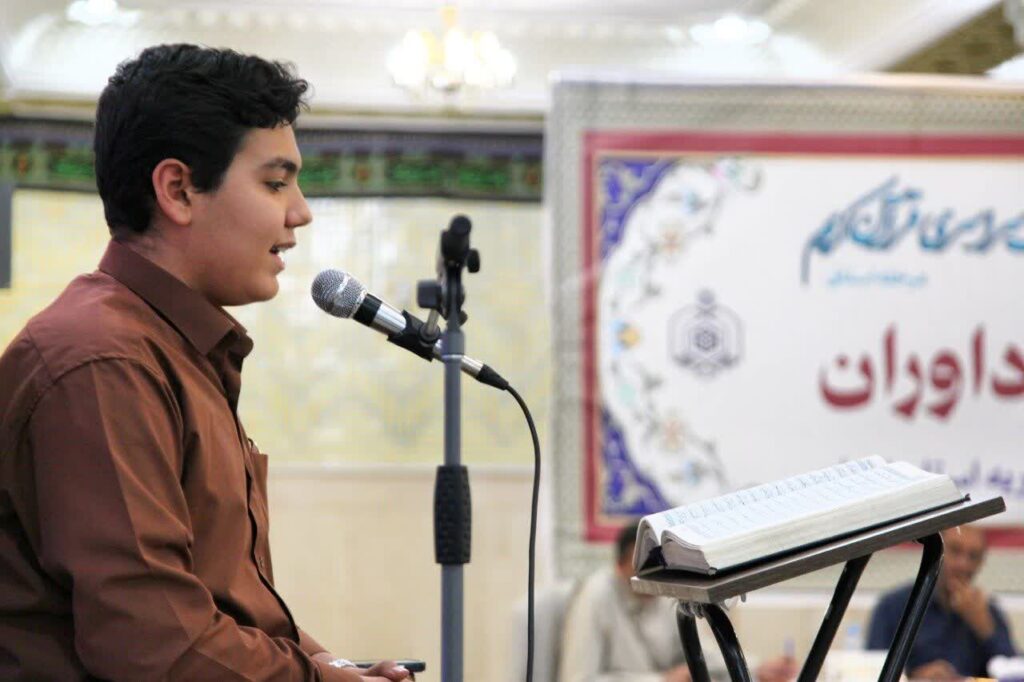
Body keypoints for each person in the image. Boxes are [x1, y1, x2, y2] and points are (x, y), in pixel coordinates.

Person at [0, 44, 410, 681]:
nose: (300, 212)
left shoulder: (174, 350)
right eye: (275, 182)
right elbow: (154, 642)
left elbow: (223, 602)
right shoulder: (102, 362)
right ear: (179, 190)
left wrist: (326, 663)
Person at [558, 523, 798, 682]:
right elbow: (578, 679)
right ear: (620, 566)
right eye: (641, 567)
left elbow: (699, 651)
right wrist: (661, 680)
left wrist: (754, 668)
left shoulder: (662, 590)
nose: (652, 575)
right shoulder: (595, 597)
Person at [866, 524, 1016, 679]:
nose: (963, 565)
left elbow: (1013, 673)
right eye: (955, 550)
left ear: (981, 563)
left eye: (973, 556)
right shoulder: (893, 606)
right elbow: (871, 669)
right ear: (936, 551)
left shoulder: (989, 612)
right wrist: (914, 676)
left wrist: (986, 629)